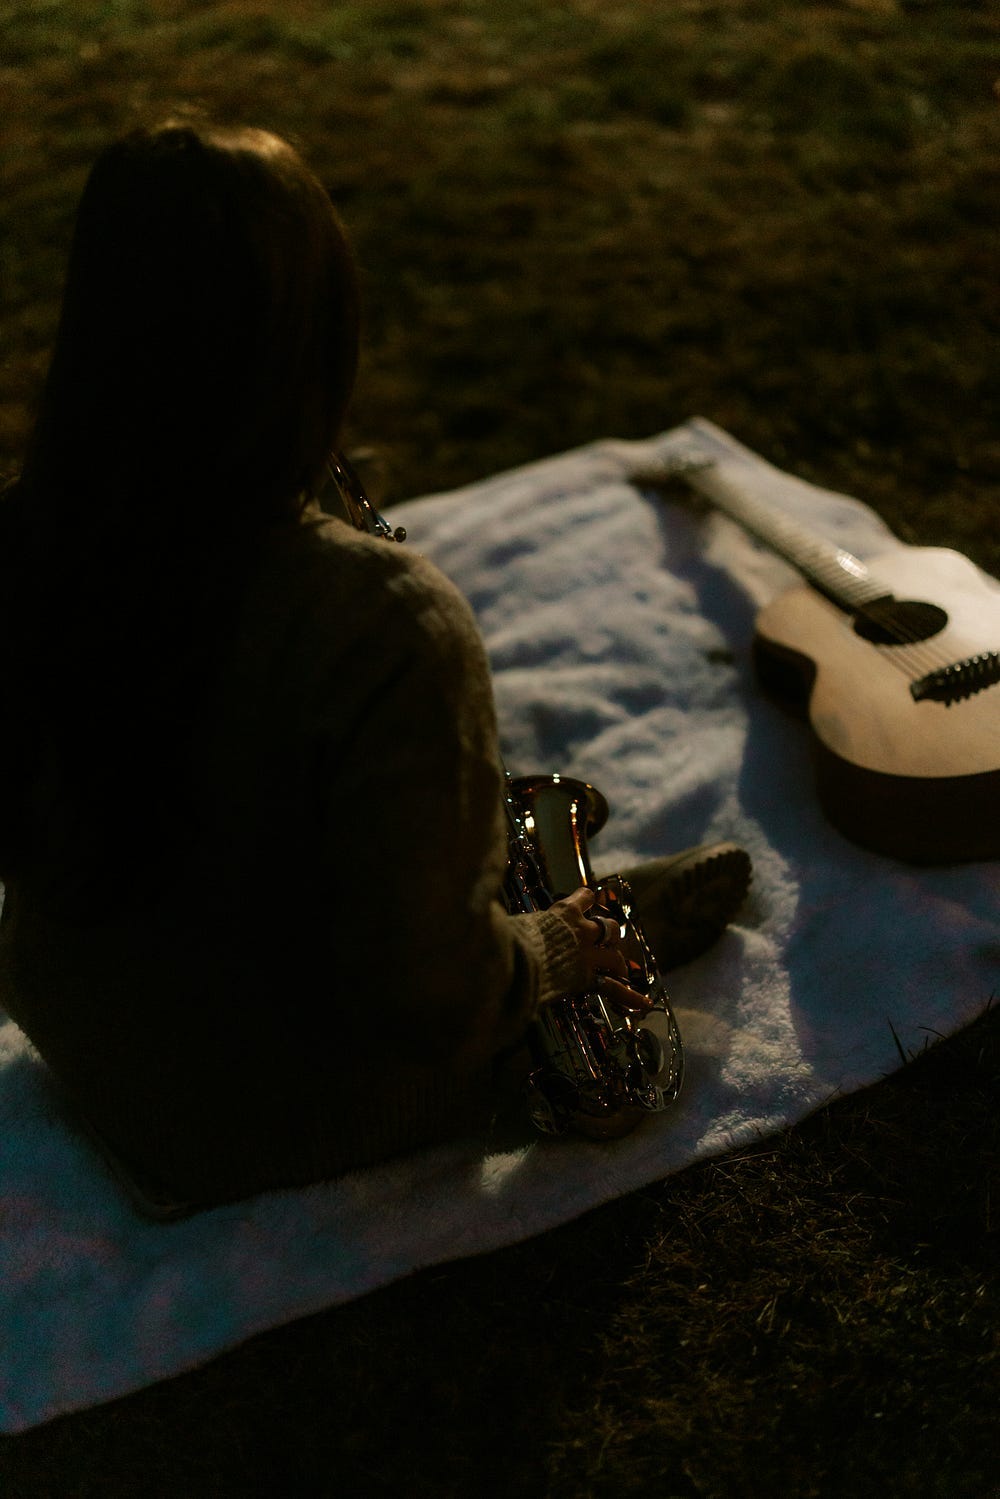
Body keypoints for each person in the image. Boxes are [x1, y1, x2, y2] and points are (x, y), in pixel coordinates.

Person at [0, 121, 750, 1216]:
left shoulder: (25, 535)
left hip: (88, 1031)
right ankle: (597, 914)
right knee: (530, 937)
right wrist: (545, 945)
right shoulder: (381, 619)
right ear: (321, 330)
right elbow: (427, 998)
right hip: (296, 1109)